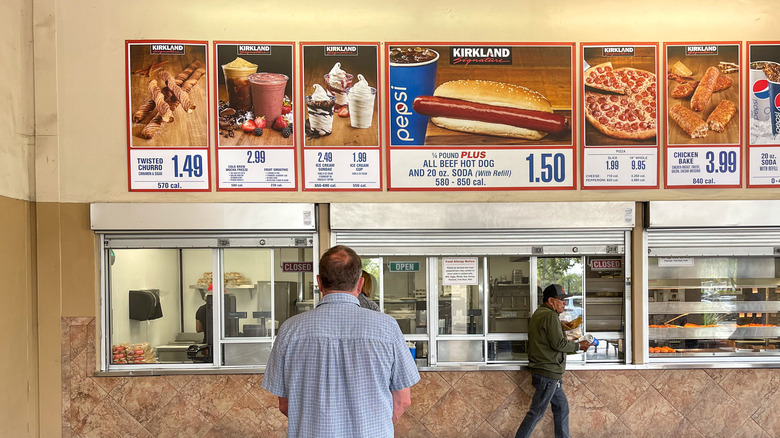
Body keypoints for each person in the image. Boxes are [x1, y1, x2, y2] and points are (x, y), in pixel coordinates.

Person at [262, 245, 420, 437]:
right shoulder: (388, 328)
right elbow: (403, 401)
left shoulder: (290, 330)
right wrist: (376, 427)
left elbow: (285, 404)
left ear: (319, 283)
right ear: (360, 284)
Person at [515, 284, 592, 438]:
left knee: (562, 408)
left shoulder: (541, 313)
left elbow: (550, 341)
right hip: (547, 373)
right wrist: (578, 345)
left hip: (550, 372)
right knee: (536, 413)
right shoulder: (549, 315)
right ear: (551, 301)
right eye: (561, 300)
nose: (564, 303)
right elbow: (558, 344)